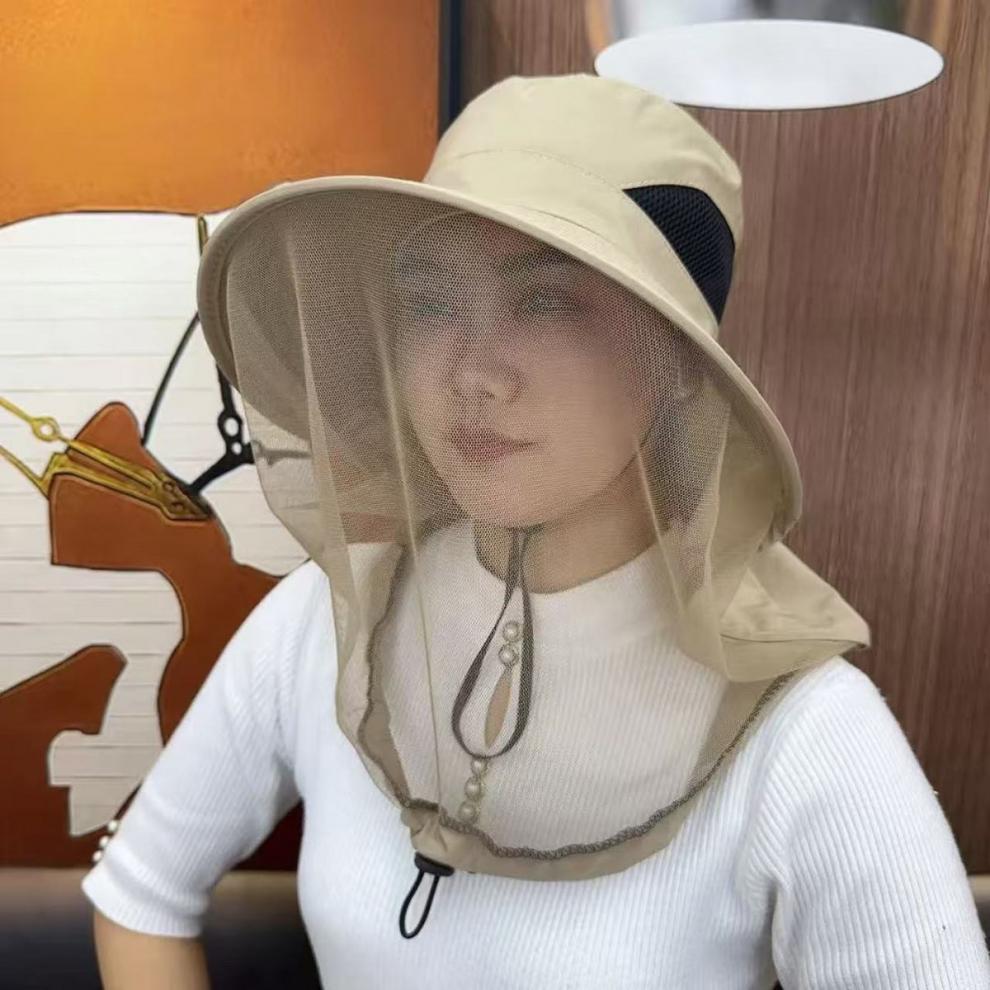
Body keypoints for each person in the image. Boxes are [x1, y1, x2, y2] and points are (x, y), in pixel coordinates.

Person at [83, 73, 990, 988]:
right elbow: (139, 895)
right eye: (432, 304)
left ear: (676, 358)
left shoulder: (804, 731)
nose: (474, 372)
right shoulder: (327, 620)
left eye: (548, 302)